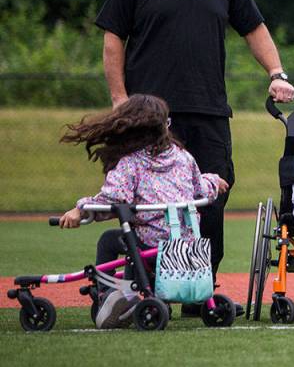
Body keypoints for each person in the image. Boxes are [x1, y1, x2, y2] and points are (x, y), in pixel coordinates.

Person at [94, 0, 294, 310]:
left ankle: (199, 288)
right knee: (144, 201)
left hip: (207, 109)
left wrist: (276, 73)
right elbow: (114, 37)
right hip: (148, 115)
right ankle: (140, 289)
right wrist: (118, 100)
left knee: (211, 196)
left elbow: (253, 28)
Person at [57, 95, 228, 328]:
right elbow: (201, 191)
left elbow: (113, 200)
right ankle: (129, 293)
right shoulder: (184, 157)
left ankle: (108, 295)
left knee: (110, 240)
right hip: (187, 246)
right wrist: (214, 180)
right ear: (165, 126)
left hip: (154, 248)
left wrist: (81, 208)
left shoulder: (130, 163)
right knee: (133, 241)